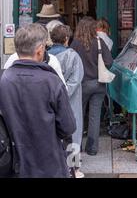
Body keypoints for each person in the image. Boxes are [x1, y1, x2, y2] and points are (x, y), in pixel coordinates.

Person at [0, 24, 76, 178]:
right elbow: (68, 127)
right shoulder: (51, 81)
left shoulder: (4, 79)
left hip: (15, 163)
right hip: (48, 163)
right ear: (40, 50)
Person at [71, 17, 113, 156]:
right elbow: (109, 62)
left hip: (82, 84)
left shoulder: (76, 43)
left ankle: (77, 147)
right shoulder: (100, 42)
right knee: (95, 116)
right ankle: (92, 148)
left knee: (78, 115)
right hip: (98, 83)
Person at [48, 25, 85, 178]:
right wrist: (63, 94)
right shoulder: (72, 55)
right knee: (73, 134)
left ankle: (56, 164)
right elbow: (76, 80)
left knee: (54, 133)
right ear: (66, 39)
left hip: (50, 101)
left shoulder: (46, 55)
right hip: (70, 101)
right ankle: (74, 168)